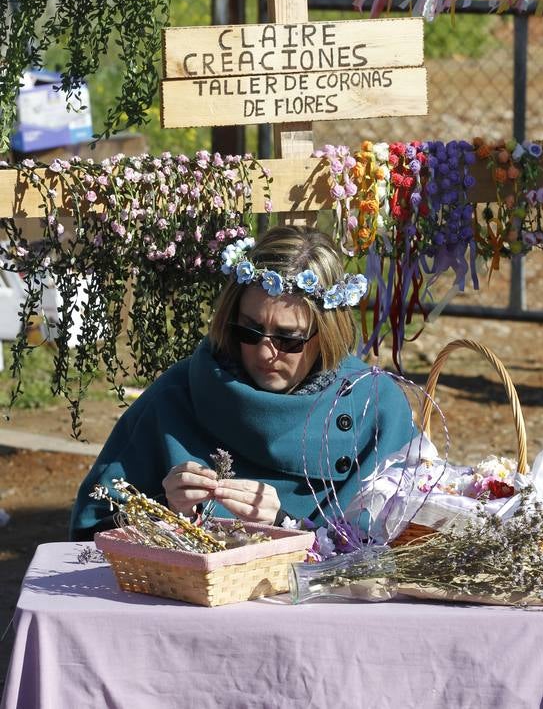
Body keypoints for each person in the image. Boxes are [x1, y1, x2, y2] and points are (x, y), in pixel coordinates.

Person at [70, 225, 414, 540]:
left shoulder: (374, 405)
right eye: (249, 330)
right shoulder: (178, 394)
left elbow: (399, 546)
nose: (266, 353)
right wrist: (164, 511)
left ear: (327, 333)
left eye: (288, 338)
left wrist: (284, 525)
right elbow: (90, 531)